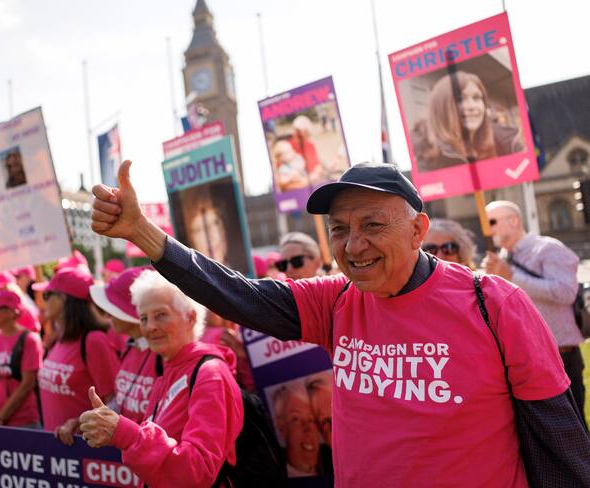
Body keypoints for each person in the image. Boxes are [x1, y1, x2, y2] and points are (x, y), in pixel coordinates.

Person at [92, 160, 590, 487]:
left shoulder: (494, 304)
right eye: (339, 229)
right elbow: (239, 294)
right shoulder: (337, 301)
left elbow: (560, 440)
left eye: (373, 225)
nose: (353, 246)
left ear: (418, 228)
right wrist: (142, 231)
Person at [78, 269, 243, 488]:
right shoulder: (170, 367)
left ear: (190, 317)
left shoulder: (210, 375)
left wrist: (126, 434)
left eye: (161, 315)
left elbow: (197, 471)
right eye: (144, 318)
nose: (150, 327)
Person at [482, 200, 586, 422]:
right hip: (522, 361)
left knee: (573, 432)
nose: (488, 229)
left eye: (492, 222)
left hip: (561, 356)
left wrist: (512, 277)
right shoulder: (501, 258)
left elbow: (566, 292)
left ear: (514, 221)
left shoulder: (548, 248)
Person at [34, 267, 119, 441]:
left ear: (64, 299)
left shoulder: (94, 341)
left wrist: (79, 423)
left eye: (47, 295)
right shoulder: (59, 338)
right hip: (56, 449)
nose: (43, 303)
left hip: (84, 449)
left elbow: (116, 402)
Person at [0, 290, 42, 488]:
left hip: (21, 425)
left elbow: (27, 384)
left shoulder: (29, 340)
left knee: (23, 481)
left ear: (13, 311)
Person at [411, 71, 525, 172]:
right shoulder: (424, 157)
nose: (471, 106)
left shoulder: (509, 141)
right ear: (441, 107)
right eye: (460, 99)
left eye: (476, 98)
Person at [89, 267, 158, 424]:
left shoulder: (163, 357)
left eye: (114, 308)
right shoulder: (130, 346)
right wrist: (86, 420)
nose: (107, 315)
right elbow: (123, 402)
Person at [272, 383, 322, 478]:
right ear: (281, 428)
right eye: (296, 419)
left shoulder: (332, 461)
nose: (308, 429)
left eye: (311, 419)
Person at [289, 116, 325, 184]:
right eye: (297, 130)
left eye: (303, 131)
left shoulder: (309, 145)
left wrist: (316, 172)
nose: (299, 134)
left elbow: (317, 165)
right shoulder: (287, 146)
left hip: (311, 180)